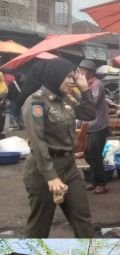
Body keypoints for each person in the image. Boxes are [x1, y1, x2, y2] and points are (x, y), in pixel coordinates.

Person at [22, 58, 96, 238]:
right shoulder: (36, 102)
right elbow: (38, 143)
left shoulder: (67, 99)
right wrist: (51, 177)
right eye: (69, 77)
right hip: (43, 170)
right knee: (40, 225)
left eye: (74, 77)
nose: (73, 81)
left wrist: (85, 89)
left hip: (69, 167)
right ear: (56, 76)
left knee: (82, 218)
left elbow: (89, 113)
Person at [78, 59, 110, 195]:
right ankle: (94, 181)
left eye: (83, 70)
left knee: (95, 155)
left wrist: (81, 93)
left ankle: (102, 184)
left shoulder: (96, 85)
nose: (80, 73)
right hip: (89, 127)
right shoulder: (85, 85)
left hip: (98, 126)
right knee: (89, 155)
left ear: (90, 73)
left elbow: (92, 102)